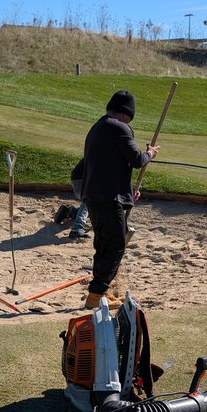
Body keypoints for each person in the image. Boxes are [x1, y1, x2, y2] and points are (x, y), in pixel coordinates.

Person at [78, 89, 158, 310]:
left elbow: (109, 166)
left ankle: (100, 293)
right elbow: (136, 159)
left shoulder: (99, 126)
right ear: (125, 114)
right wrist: (151, 153)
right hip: (107, 198)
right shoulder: (119, 127)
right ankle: (95, 296)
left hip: (95, 196)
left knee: (103, 245)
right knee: (115, 247)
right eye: (130, 118)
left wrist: (127, 190)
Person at [67, 158, 90, 238]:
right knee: (89, 199)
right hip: (80, 180)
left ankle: (70, 212)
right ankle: (76, 229)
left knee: (95, 204)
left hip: (79, 179)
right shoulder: (103, 152)